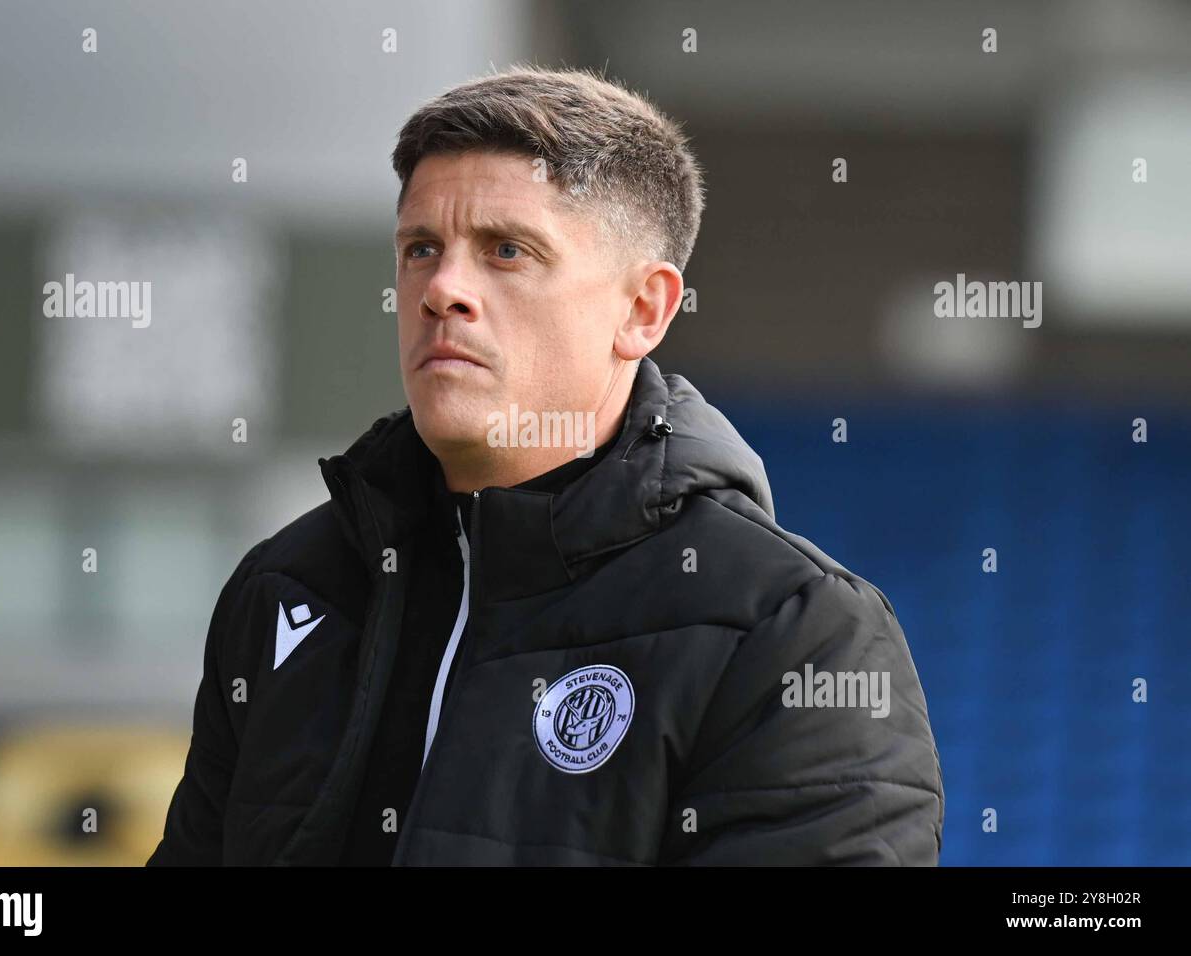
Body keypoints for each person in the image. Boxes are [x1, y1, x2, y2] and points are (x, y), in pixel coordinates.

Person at [147, 65, 944, 866]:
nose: (442, 290)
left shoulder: (790, 634)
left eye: (506, 251)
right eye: (422, 248)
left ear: (643, 311)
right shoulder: (287, 590)